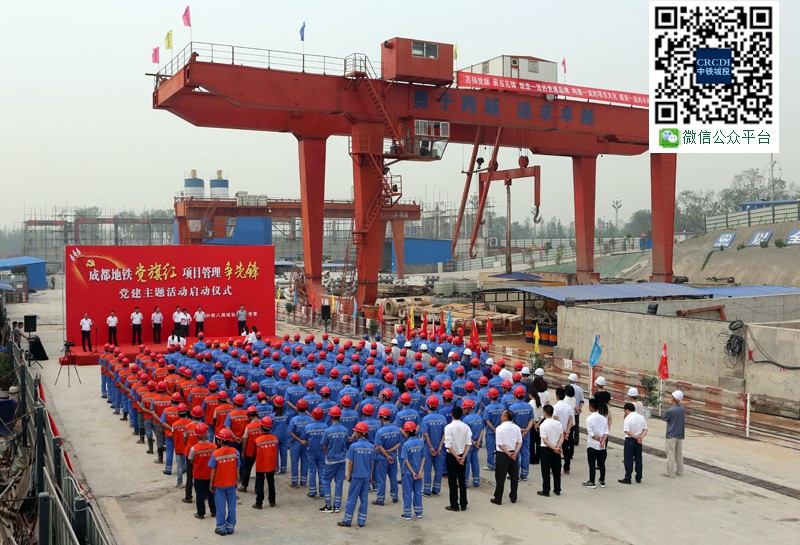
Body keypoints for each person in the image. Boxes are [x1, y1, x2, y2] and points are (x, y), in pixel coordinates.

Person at [338, 422, 374, 528]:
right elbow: (372, 462)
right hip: (366, 476)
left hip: (357, 476)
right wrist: (371, 475)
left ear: (359, 433)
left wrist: (348, 475)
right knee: (364, 499)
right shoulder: (371, 447)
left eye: (356, 432)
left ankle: (347, 520)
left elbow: (350, 462)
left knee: (352, 498)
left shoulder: (354, 446)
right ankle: (361, 521)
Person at [208, 428, 240, 536]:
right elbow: (237, 468)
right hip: (231, 483)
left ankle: (221, 528)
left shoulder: (216, 454)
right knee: (232, 506)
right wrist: (236, 480)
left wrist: (211, 483)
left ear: (221, 441)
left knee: (220, 507)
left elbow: (213, 470)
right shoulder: (235, 452)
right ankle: (230, 527)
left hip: (220, 484)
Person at [319, 406, 348, 514]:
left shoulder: (328, 431)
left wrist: (327, 455)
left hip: (331, 460)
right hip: (342, 459)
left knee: (326, 480)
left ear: (330, 417)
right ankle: (337, 506)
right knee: (339, 482)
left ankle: (328, 505)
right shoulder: (345, 430)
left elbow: (324, 446)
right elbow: (346, 443)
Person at [491, 409, 522, 505]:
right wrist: (515, 452)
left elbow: (500, 444)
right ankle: (513, 497)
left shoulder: (499, 428)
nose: (501, 416)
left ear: (505, 417)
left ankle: (498, 498)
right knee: (514, 477)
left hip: (503, 455)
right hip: (514, 454)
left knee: (500, 477)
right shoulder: (517, 428)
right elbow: (519, 442)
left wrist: (508, 453)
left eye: (502, 415)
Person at [443, 405, 471, 512]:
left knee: (452, 480)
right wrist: (463, 456)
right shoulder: (466, 427)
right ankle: (463, 503)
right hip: (462, 455)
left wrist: (456, 457)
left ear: (452, 414)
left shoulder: (448, 427)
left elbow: (448, 445)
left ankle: (454, 504)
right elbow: (468, 443)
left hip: (452, 456)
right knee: (462, 479)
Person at [187, 423, 217, 520]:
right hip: (210, 475)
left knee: (199, 494)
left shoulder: (193, 448)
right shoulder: (214, 447)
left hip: (198, 475)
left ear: (196, 436)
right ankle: (214, 511)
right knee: (211, 493)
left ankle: (200, 513)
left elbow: (191, 460)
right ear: (207, 434)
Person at [399, 421, 425, 521]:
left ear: (407, 432)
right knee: (418, 491)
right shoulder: (420, 442)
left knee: (407, 493)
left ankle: (407, 514)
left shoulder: (406, 445)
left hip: (408, 473)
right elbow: (423, 457)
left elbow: (405, 460)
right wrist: (420, 470)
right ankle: (419, 512)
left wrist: (413, 472)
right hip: (418, 472)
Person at [253, 416, 279, 509]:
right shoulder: (275, 439)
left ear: (261, 427)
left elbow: (254, 453)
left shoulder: (257, 440)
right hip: (271, 464)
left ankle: (259, 503)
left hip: (261, 465)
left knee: (260, 483)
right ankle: (272, 501)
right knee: (271, 482)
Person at [537, 404, 563, 497]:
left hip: (546, 449)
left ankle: (546, 490)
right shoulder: (558, 423)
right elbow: (561, 436)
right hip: (557, 448)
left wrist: (554, 448)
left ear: (544, 413)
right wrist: (557, 447)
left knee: (546, 470)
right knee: (556, 470)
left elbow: (545, 440)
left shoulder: (543, 425)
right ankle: (557, 489)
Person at [619, 402, 648, 484]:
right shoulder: (641, 417)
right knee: (638, 459)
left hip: (630, 440)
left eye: (624, 411)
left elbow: (627, 431)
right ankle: (639, 477)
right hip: (639, 441)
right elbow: (645, 429)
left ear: (627, 410)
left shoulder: (628, 418)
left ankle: (628, 477)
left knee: (628, 459)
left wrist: (635, 437)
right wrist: (640, 437)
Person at [583, 398, 608, 489]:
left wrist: (598, 439)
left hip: (592, 444)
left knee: (592, 463)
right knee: (601, 463)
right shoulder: (603, 418)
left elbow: (591, 433)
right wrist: (603, 441)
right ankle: (602, 480)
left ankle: (592, 481)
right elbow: (606, 431)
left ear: (590, 407)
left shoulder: (589, 418)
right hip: (601, 445)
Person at [662, 390, 685, 478]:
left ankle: (670, 473)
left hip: (671, 434)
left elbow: (664, 418)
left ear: (674, 398)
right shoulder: (682, 409)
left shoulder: (670, 410)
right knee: (679, 453)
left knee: (670, 454)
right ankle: (680, 471)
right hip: (680, 434)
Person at [568, 373, 585, 446]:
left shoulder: (568, 388)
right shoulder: (580, 389)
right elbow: (582, 400)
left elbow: (569, 400)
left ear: (569, 380)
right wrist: (579, 408)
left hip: (569, 411)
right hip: (577, 411)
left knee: (569, 425)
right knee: (576, 426)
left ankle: (569, 439)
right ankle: (576, 440)